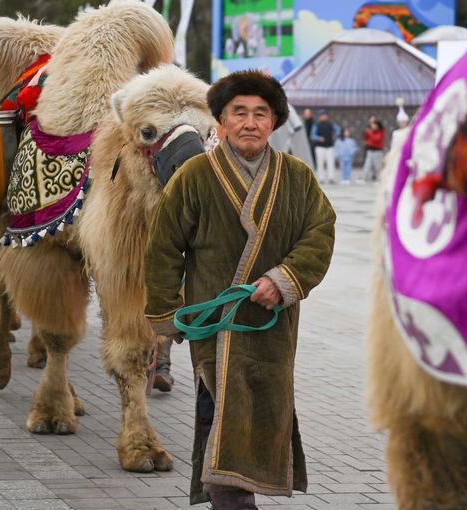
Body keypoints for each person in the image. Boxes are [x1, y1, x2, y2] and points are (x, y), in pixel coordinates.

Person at [144, 70, 336, 509]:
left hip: (273, 327)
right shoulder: (195, 175)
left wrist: (284, 280)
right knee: (218, 411)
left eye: (260, 114)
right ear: (221, 121)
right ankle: (233, 501)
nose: (250, 123)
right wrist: (165, 313)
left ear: (274, 122)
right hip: (216, 327)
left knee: (264, 410)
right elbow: (163, 247)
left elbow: (320, 233)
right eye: (239, 113)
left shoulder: (297, 177)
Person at [310, 109, 340, 184]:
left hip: (330, 147)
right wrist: (318, 138)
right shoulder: (316, 125)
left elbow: (338, 130)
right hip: (320, 147)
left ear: (327, 116)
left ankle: (331, 178)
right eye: (321, 115)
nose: (323, 117)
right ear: (319, 117)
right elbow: (312, 135)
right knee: (320, 163)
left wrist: (335, 135)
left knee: (331, 163)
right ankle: (321, 178)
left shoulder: (331, 124)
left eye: (324, 115)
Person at [362, 116, 385, 181]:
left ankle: (379, 178)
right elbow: (366, 139)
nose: (372, 126)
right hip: (370, 151)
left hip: (377, 151)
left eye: (374, 124)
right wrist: (367, 134)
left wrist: (369, 133)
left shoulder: (380, 131)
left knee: (378, 166)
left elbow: (376, 139)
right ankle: (364, 177)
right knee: (367, 165)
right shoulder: (369, 131)